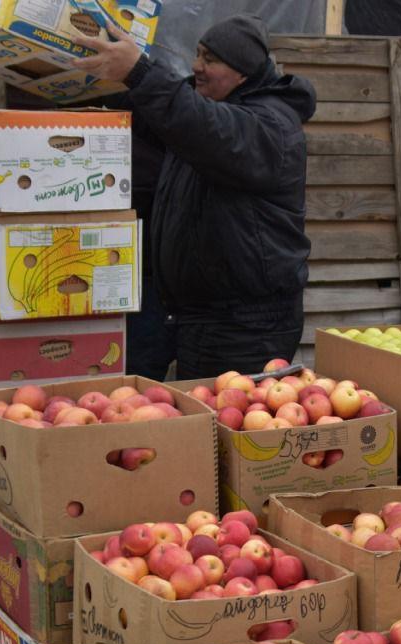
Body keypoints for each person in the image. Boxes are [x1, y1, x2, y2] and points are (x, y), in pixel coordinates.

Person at [74, 15, 317, 379]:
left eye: (210, 59)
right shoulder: (214, 110)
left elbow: (196, 122)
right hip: (201, 315)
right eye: (198, 54)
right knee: (199, 418)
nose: (196, 66)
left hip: (246, 325)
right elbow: (166, 115)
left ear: (243, 74)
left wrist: (139, 72)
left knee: (226, 426)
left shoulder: (268, 126)